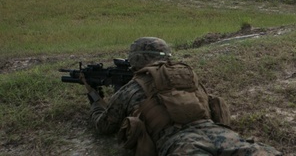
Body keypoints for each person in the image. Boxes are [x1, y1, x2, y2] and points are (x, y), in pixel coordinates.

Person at [85, 37, 282, 156]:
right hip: (219, 133)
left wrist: (95, 100)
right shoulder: (187, 76)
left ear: (135, 59)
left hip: (180, 142)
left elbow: (103, 126)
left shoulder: (131, 88)